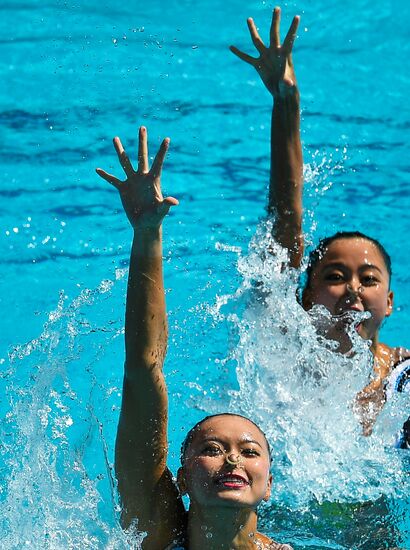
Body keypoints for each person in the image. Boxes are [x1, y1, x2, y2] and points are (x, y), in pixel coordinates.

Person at [96, 127, 292, 549]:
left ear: (269, 483)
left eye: (250, 451)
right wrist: (147, 233)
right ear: (181, 478)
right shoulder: (158, 532)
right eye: (213, 449)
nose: (233, 459)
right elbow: (143, 370)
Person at [230, 7, 410, 438]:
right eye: (334, 275)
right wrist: (286, 101)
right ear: (307, 295)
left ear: (388, 301)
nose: (352, 288)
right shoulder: (286, 349)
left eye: (368, 278)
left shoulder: (405, 376)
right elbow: (285, 225)